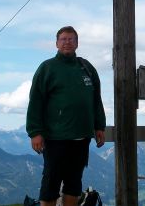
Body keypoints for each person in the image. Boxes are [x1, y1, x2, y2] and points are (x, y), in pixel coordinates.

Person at [26, 26, 106, 206]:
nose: (67, 42)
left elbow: (96, 99)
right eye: (63, 39)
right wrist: (35, 132)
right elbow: (36, 101)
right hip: (55, 137)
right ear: (56, 43)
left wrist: (99, 126)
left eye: (71, 39)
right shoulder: (47, 68)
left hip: (82, 135)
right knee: (51, 183)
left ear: (77, 43)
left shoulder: (87, 68)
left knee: (74, 183)